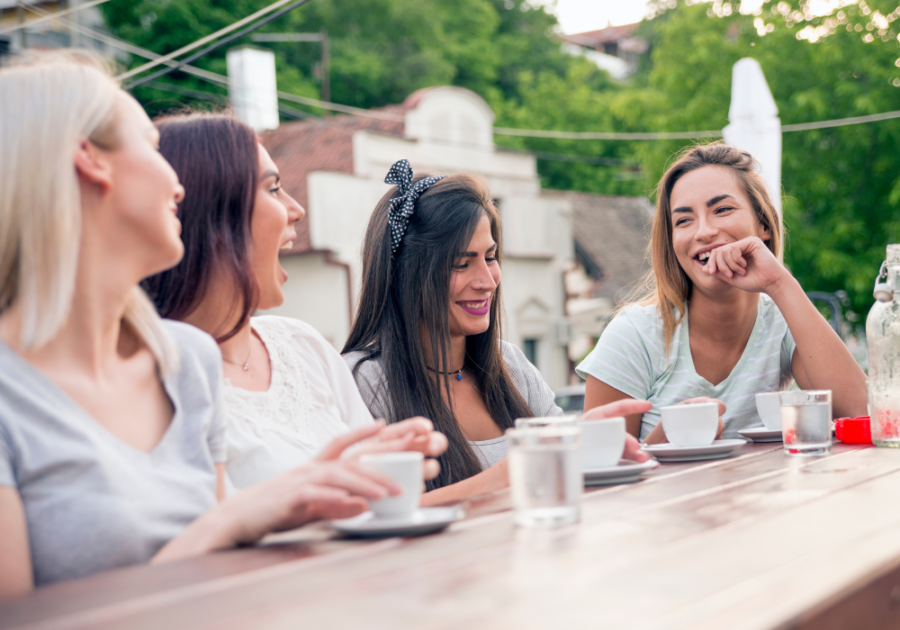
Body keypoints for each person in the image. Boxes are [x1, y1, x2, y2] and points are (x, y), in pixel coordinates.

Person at [0, 53, 407, 597]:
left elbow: (216, 585)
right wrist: (236, 518)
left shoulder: (184, 360)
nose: (178, 183)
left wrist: (297, 505)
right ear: (89, 161)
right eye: (149, 145)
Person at [141, 113, 446, 493]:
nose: (295, 209)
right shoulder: (154, 378)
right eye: (272, 189)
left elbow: (386, 499)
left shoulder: (302, 345)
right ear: (212, 215)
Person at [343, 160, 652, 506]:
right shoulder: (363, 381)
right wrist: (513, 472)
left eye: (490, 258)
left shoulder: (510, 365)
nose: (487, 281)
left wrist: (594, 440)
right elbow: (367, 512)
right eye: (462, 264)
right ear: (406, 273)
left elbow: (567, 473)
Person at [578, 142, 868, 442]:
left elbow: (862, 414)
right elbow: (598, 470)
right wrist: (665, 442)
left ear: (764, 225)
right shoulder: (633, 335)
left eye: (722, 209)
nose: (703, 231)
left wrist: (780, 283)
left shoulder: (782, 323)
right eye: (683, 220)